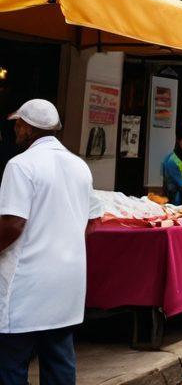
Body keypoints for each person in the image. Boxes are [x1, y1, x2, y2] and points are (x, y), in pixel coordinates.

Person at [0, 100, 97, 385]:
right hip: (67, 283)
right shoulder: (80, 166)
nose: (15, 129)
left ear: (29, 128)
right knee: (58, 362)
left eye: (18, 124)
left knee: (11, 365)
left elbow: (12, 223)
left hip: (26, 284)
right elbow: (93, 220)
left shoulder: (20, 165)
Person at [162, 127, 182, 205]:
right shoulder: (172, 160)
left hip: (180, 196)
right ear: (178, 140)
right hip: (174, 199)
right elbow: (181, 182)